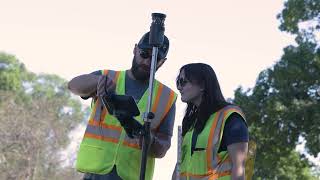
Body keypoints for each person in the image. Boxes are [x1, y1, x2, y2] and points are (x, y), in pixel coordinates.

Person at [68, 31, 177, 180]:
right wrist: (98, 81)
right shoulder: (107, 76)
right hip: (95, 173)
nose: (147, 62)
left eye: (155, 59)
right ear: (135, 49)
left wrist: (149, 140)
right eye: (144, 54)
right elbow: (73, 85)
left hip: (132, 175)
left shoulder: (167, 97)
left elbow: (163, 148)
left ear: (162, 62)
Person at [173, 63, 249, 180]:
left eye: (183, 82)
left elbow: (238, 168)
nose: (179, 87)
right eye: (178, 81)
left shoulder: (231, 118)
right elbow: (180, 166)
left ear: (202, 85)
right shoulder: (191, 122)